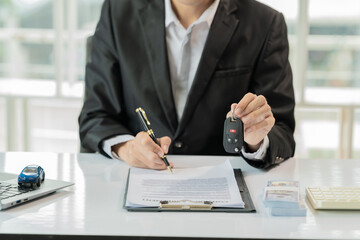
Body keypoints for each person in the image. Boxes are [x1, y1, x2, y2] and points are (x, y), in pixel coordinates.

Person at [78, 0, 295, 170]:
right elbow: (96, 115)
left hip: (224, 191)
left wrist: (256, 141)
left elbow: (282, 131)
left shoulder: (265, 24)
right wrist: (126, 148)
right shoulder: (117, 12)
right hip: (136, 183)